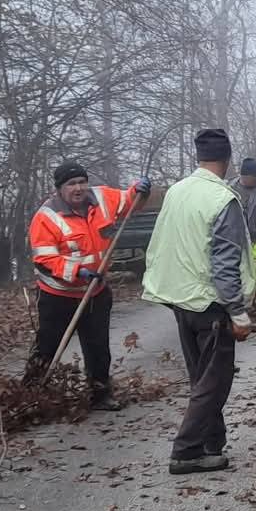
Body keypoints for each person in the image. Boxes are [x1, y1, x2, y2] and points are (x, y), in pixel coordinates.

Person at [142, 127, 256, 475]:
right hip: (210, 304)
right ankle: (186, 452)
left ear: (200, 157)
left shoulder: (177, 192)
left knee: (201, 378)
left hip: (180, 300)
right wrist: (237, 311)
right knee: (214, 381)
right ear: (228, 160)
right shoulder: (223, 200)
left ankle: (212, 444)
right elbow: (224, 263)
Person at [27, 161, 149, 410]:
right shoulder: (46, 217)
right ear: (60, 189)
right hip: (59, 295)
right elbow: (44, 260)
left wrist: (139, 190)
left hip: (96, 292)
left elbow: (128, 201)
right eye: (72, 184)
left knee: (98, 345)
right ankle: (30, 395)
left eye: (82, 182)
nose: (79, 188)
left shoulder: (102, 198)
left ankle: (100, 394)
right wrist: (77, 271)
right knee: (48, 346)